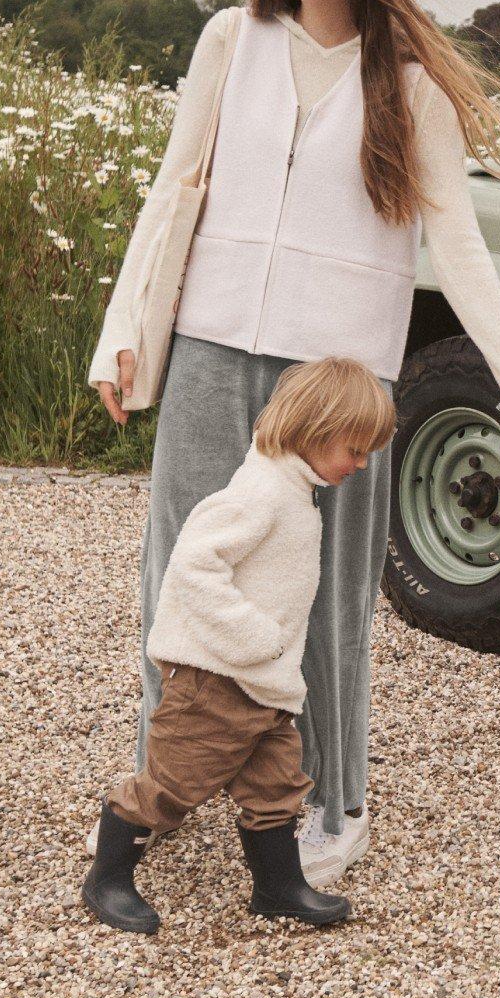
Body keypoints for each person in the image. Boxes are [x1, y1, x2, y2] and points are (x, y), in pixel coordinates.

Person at [88, 0, 500, 885]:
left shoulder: (406, 81)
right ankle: (158, 786)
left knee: (324, 592)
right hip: (215, 343)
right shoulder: (232, 38)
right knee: (178, 569)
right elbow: (176, 188)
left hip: (338, 379)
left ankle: (329, 800)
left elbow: (461, 245)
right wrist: (123, 329)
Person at [82, 357, 395, 934]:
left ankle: (277, 886)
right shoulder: (261, 493)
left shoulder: (296, 490)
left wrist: (271, 661)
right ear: (315, 430)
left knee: (277, 785)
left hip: (264, 685)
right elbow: (195, 566)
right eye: (354, 449)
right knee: (171, 785)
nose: (361, 463)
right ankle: (107, 878)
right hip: (215, 682)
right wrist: (257, 638)